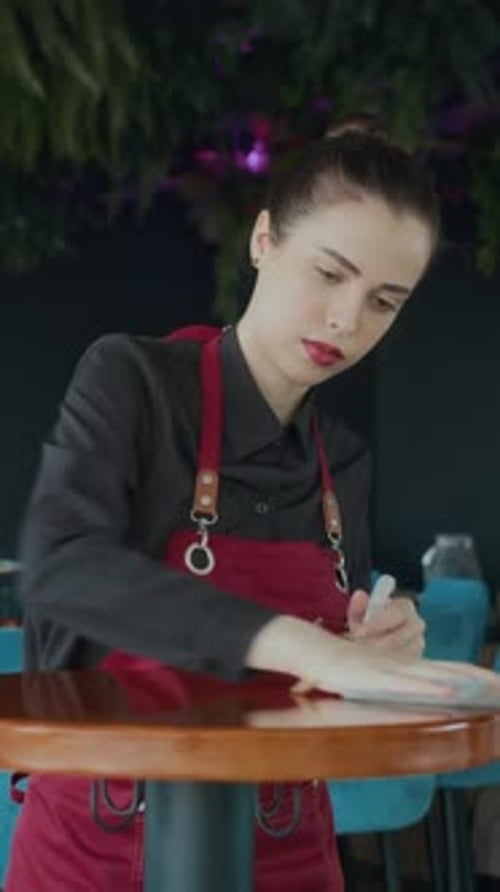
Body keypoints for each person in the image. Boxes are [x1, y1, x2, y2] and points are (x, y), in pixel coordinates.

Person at [6, 119, 500, 892]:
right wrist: (308, 647)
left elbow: (325, 677)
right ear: (264, 240)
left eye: (384, 301)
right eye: (329, 273)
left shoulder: (345, 462)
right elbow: (63, 567)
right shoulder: (132, 381)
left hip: (292, 847)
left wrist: (375, 643)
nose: (347, 320)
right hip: (97, 847)